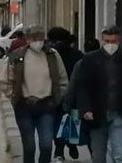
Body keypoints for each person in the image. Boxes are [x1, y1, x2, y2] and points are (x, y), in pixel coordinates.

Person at [74, 25, 122, 163]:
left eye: (113, 41)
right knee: (98, 155)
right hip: (97, 114)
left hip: (120, 114)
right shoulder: (90, 60)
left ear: (119, 41)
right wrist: (85, 108)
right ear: (102, 41)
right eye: (107, 41)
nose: (110, 45)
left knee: (120, 154)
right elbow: (82, 86)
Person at [4, 25, 68, 163]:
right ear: (27, 39)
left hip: (47, 106)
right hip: (24, 107)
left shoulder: (53, 55)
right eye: (35, 38)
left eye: (41, 38)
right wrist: (13, 96)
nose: (38, 42)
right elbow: (5, 81)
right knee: (29, 146)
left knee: (46, 145)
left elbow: (63, 79)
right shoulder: (17, 56)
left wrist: (57, 97)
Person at [47, 28, 83, 162]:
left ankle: (59, 150)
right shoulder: (77, 54)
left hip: (55, 92)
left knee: (57, 122)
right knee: (73, 120)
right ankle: (72, 144)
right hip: (74, 94)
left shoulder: (51, 53)